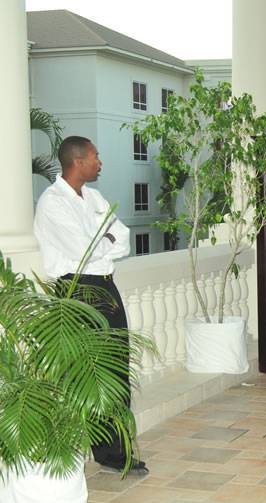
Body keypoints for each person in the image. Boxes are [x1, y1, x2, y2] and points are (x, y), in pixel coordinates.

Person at [33, 136, 148, 476]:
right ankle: (105, 452)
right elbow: (86, 250)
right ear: (78, 161)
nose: (101, 163)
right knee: (90, 374)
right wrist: (105, 240)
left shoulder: (94, 197)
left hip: (106, 286)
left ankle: (118, 450)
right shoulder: (52, 203)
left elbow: (122, 237)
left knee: (116, 371)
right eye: (96, 157)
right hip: (77, 290)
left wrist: (105, 241)